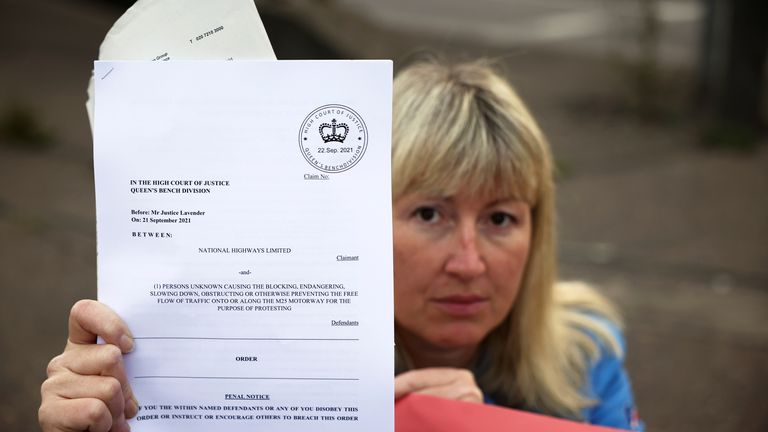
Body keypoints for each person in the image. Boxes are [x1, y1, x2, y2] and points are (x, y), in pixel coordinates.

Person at [39, 60, 643, 431]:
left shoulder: (585, 356)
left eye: (502, 218)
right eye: (429, 212)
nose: (469, 262)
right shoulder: (266, 373)